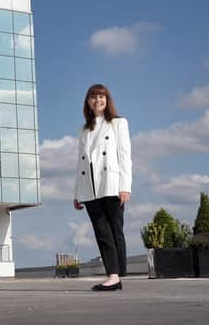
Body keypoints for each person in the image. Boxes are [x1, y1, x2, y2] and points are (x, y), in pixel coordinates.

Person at [73, 84, 132, 291]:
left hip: (112, 185)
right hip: (90, 188)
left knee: (115, 230)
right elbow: (80, 163)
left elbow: (125, 157)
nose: (97, 100)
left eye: (101, 96)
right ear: (87, 102)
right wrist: (77, 193)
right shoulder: (84, 130)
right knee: (101, 232)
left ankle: (116, 276)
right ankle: (113, 276)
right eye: (93, 97)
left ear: (107, 100)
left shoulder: (118, 123)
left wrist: (125, 186)